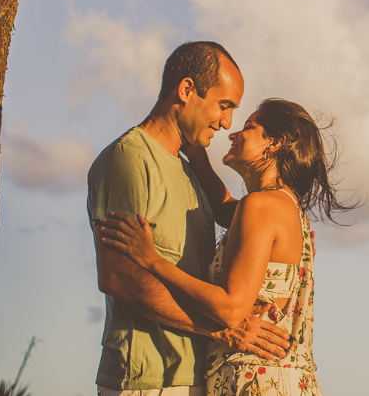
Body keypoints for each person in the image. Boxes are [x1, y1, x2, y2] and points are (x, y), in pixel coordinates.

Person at [100, 97, 351, 396]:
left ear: (275, 143)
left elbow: (232, 310)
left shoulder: (260, 205)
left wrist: (152, 260)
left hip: (254, 383)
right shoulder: (285, 207)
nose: (233, 133)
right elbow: (223, 208)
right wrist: (197, 154)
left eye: (249, 126)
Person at [88, 42, 291, 396]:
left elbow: (239, 216)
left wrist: (295, 235)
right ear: (186, 90)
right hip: (147, 381)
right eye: (224, 105)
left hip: (198, 379)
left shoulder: (189, 171)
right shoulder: (129, 158)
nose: (227, 122)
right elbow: (119, 276)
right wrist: (223, 330)